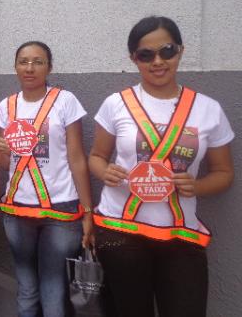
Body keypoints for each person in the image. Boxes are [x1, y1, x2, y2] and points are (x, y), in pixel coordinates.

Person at [89, 16, 235, 317]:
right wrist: (104, 171)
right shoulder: (116, 103)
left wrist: (198, 186)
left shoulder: (208, 109)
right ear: (134, 59)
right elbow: (96, 156)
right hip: (121, 231)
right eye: (146, 55)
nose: (158, 61)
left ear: (180, 51)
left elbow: (224, 173)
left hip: (180, 235)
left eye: (166, 51)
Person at [0, 41, 94, 317]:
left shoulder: (65, 101)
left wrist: (88, 212)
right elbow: (5, 164)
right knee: (26, 288)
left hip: (61, 209)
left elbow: (77, 158)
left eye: (38, 61)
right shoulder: (6, 107)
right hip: (17, 209)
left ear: (50, 67)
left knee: (53, 290)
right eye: (23, 61)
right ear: (15, 67)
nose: (30, 67)